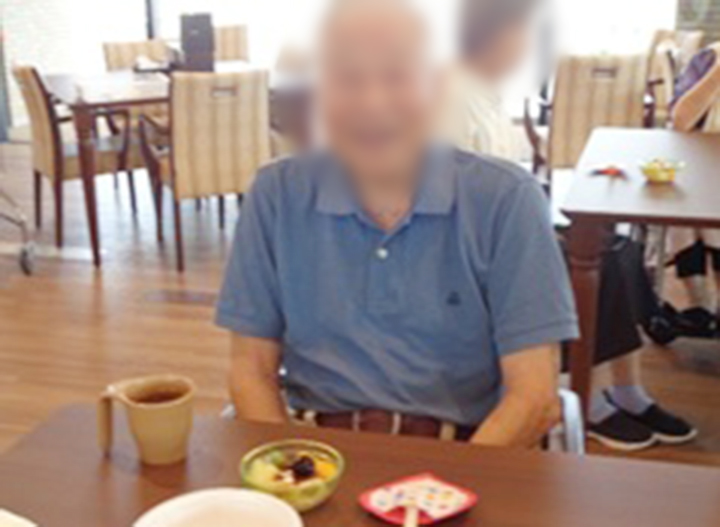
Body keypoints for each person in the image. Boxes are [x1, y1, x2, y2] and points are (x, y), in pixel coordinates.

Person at [216, 0, 578, 448]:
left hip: (468, 453)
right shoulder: (276, 195)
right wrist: (290, 466)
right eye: (347, 78)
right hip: (319, 452)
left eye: (397, 75)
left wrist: (441, 486)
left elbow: (534, 397)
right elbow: (250, 369)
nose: (372, 102)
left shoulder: (505, 200)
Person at [443, 0, 696, 450]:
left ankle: (628, 391)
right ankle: (591, 400)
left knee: (620, 249)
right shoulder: (452, 96)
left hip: (499, 229)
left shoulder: (484, 90)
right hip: (468, 249)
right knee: (594, 258)